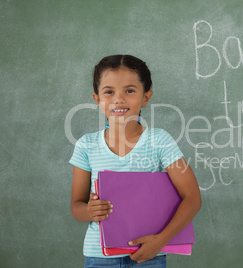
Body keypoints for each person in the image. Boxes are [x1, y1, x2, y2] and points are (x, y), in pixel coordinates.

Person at [69, 54, 202, 267]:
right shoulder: (86, 145)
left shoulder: (160, 141)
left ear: (146, 97)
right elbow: (76, 206)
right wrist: (89, 212)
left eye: (129, 91)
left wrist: (160, 241)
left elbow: (192, 197)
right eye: (109, 92)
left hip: (150, 254)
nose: (119, 99)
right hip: (99, 257)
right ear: (97, 99)